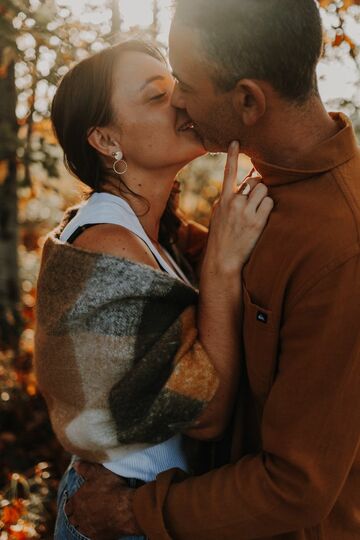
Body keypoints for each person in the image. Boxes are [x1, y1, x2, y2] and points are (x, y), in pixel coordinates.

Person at [66, 0, 360, 539]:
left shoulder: (342, 246)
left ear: (248, 100)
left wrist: (131, 512)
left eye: (184, 82)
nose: (178, 100)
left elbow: (296, 486)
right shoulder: (261, 186)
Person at [34, 39, 273, 540]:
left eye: (177, 88)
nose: (182, 101)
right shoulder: (107, 247)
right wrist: (223, 269)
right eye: (155, 96)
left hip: (148, 505)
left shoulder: (150, 232)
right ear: (105, 139)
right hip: (120, 517)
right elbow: (205, 415)